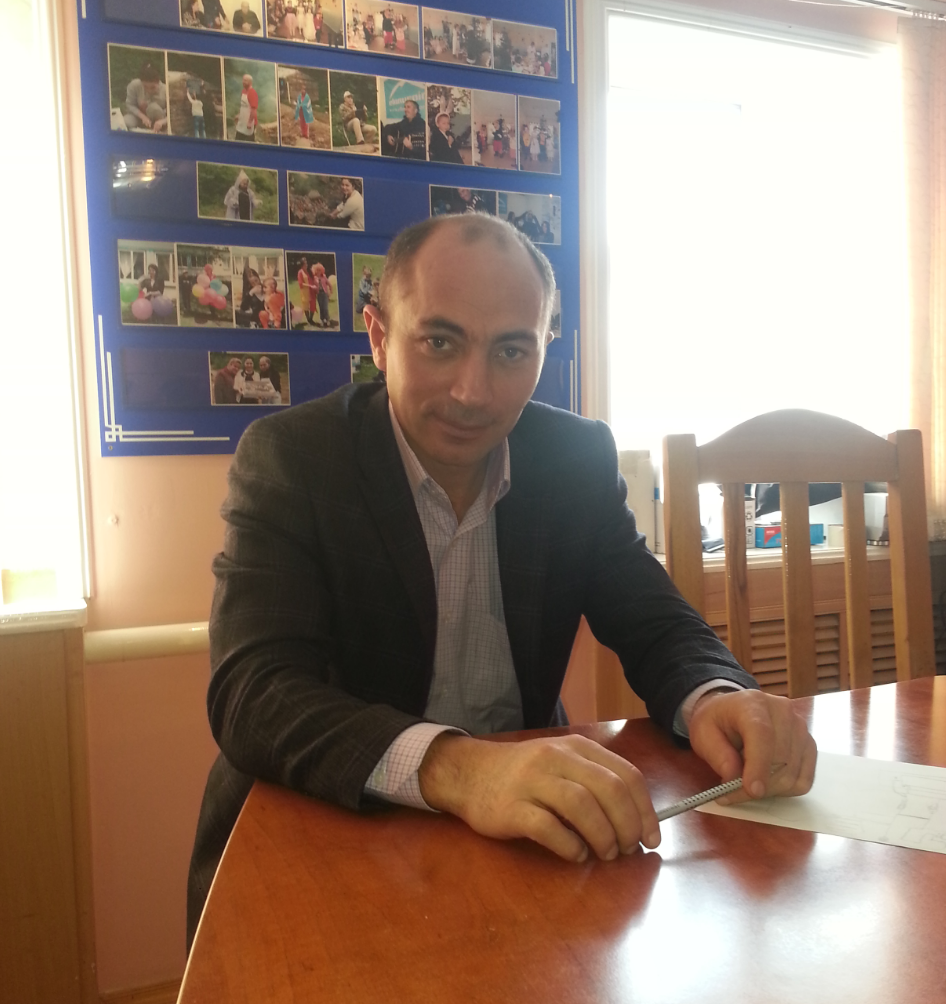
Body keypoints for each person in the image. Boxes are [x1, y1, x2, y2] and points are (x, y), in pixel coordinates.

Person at [186, 214, 817, 948]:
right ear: (379, 337)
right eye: (439, 342)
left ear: (544, 349)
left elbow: (654, 620)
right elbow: (253, 693)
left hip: (523, 846)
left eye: (512, 350)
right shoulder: (294, 458)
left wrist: (718, 695)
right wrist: (461, 770)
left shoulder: (572, 458)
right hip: (324, 834)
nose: (473, 392)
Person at [123, 62, 167, 133]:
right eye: (145, 87)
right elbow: (130, 104)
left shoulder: (166, 90)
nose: (149, 90)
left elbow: (174, 114)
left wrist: (162, 122)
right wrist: (142, 116)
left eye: (153, 87)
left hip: (160, 121)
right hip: (139, 118)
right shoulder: (134, 85)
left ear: (158, 82)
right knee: (126, 121)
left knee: (153, 107)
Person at [233, 74, 259, 142]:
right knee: (238, 140)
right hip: (242, 122)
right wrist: (239, 115)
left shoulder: (252, 93)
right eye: (243, 80)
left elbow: (253, 110)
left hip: (250, 123)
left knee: (249, 141)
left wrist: (249, 122)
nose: (243, 82)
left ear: (250, 82)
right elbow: (243, 106)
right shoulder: (243, 91)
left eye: (245, 80)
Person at [311, 262, 332, 327]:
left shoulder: (324, 276)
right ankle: (322, 320)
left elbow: (329, 284)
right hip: (319, 294)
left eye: (320, 270)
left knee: (325, 308)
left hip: (324, 293)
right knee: (321, 308)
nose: (319, 271)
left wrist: (330, 290)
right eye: (317, 270)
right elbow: (313, 286)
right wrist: (314, 288)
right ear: (315, 271)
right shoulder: (314, 278)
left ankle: (327, 319)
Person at [296, 255, 314, 325]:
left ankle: (311, 319)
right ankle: (308, 320)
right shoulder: (300, 272)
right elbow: (301, 284)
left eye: (306, 263)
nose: (306, 264)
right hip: (305, 291)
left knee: (313, 305)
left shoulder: (309, 271)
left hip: (312, 291)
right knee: (306, 306)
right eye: (305, 263)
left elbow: (313, 278)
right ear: (302, 265)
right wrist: (310, 286)